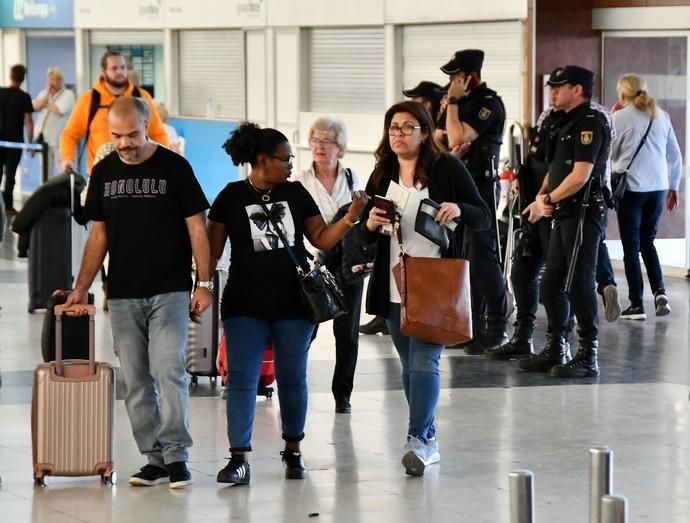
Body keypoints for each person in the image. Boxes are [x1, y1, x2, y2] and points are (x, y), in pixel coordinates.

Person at [64, 96, 212, 489]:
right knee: (133, 379)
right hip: (123, 292)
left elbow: (197, 228)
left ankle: (177, 455)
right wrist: (82, 288)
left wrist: (205, 283)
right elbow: (98, 236)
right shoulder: (104, 172)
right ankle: (154, 458)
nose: (125, 143)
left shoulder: (174, 168)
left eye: (131, 135)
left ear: (147, 126)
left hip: (171, 289)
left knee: (169, 369)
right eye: (116, 136)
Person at [208, 122, 368, 486]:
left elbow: (321, 238)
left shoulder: (295, 193)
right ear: (261, 161)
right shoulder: (230, 197)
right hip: (244, 303)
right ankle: (238, 458)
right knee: (242, 381)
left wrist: (349, 218)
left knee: (292, 378)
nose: (292, 165)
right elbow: (211, 250)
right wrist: (201, 284)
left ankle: (293, 451)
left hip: (294, 304)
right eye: (285, 159)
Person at [360, 101, 490, 476]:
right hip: (394, 281)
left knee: (424, 361)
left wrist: (459, 208)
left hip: (434, 280)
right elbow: (366, 229)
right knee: (407, 365)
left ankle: (416, 437)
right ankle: (428, 438)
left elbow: (481, 215)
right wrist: (369, 222)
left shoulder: (446, 167)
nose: (399, 135)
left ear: (424, 131)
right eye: (393, 129)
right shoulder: (383, 171)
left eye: (407, 127)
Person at [520, 65, 611, 378]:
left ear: (578, 89)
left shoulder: (590, 122)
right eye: (551, 86)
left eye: (559, 86)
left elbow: (580, 176)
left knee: (578, 282)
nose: (552, 91)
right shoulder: (563, 121)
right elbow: (556, 168)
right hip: (564, 210)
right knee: (551, 282)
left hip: (585, 211)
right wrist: (542, 197)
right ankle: (557, 345)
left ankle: (588, 353)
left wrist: (548, 199)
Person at [291, 117, 364, 414]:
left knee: (347, 334)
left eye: (327, 142)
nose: (320, 147)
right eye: (316, 141)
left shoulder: (352, 179)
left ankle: (342, 395)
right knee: (306, 330)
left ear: (340, 148)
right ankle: (295, 384)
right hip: (313, 265)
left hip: (348, 265)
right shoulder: (300, 181)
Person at [442, 49, 509, 355]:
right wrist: (451, 111)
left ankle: (497, 325)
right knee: (464, 256)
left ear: (469, 77)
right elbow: (439, 138)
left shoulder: (487, 103)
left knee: (483, 254)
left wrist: (453, 105)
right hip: (459, 184)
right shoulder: (462, 103)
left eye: (455, 77)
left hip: (481, 187)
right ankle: (472, 325)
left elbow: (455, 139)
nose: (451, 83)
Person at [611, 74, 682, 320]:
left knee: (631, 248)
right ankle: (659, 292)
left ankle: (636, 305)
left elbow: (610, 155)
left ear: (623, 94)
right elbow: (675, 156)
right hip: (658, 189)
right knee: (647, 243)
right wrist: (673, 187)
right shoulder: (662, 116)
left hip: (632, 189)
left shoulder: (618, 118)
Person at [60, 50, 168, 175]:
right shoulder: (89, 100)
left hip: (139, 172)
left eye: (123, 68)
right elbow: (70, 134)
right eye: (114, 68)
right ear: (103, 70)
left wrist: (164, 161)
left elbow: (158, 133)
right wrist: (67, 159)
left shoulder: (142, 97)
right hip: (101, 173)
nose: (120, 72)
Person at [0, 64, 34, 215]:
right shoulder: (24, 97)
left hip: (0, 139)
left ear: (10, 76)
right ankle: (7, 206)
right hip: (15, 141)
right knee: (10, 175)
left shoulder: (0, 92)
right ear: (23, 79)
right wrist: (31, 142)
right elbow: (28, 121)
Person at [32, 67, 76, 178]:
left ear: (61, 80)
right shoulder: (44, 93)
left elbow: (59, 111)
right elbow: (36, 106)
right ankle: (46, 194)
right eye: (50, 79)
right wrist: (47, 93)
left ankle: (67, 194)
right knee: (45, 172)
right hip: (43, 141)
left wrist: (45, 104)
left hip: (59, 141)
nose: (52, 83)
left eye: (55, 80)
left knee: (64, 171)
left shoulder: (68, 94)